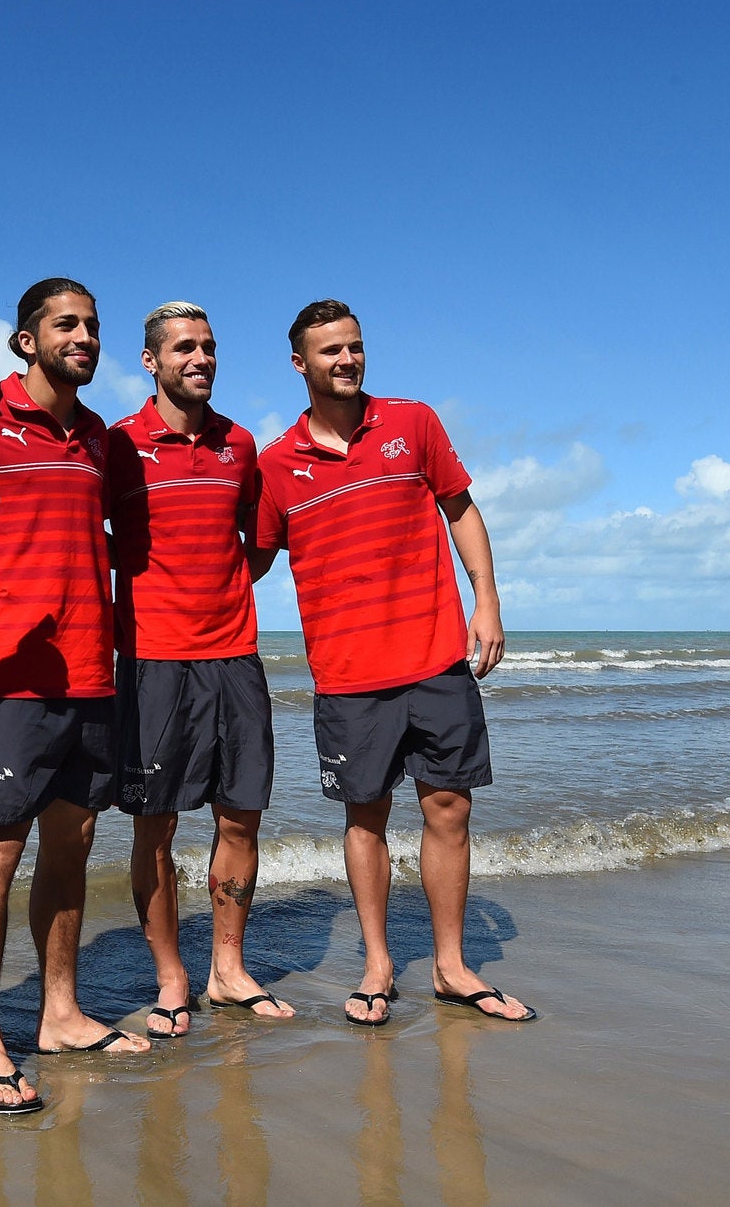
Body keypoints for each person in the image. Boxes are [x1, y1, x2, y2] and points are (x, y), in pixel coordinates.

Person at [251, 299, 534, 1027]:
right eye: (330, 351)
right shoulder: (276, 465)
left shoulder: (413, 423)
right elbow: (246, 560)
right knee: (365, 816)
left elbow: (461, 509)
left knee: (450, 808)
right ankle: (378, 964)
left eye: (355, 347)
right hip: (348, 673)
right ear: (299, 365)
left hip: (436, 656)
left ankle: (450, 965)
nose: (346, 360)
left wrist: (488, 602)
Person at [0, 277, 149, 1118]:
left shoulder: (103, 439)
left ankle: (60, 1013)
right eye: (66, 325)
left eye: (92, 326)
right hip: (5, 675)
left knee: (73, 842)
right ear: (26, 340)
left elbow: (129, 551)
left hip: (91, 672)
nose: (84, 337)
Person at [107, 302, 293, 1038]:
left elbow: (260, 541)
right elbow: (90, 539)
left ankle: (228, 969)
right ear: (150, 360)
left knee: (240, 816)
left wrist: (214, 584)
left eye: (210, 347)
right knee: (153, 829)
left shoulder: (239, 444)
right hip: (152, 661)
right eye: (185, 347)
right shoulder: (118, 445)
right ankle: (172, 977)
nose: (202, 359)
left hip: (235, 658)